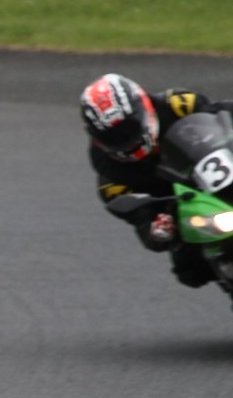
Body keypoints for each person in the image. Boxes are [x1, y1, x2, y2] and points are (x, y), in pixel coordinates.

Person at [80, 73, 233, 289]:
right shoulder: (110, 175)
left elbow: (223, 114)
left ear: (143, 106)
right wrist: (158, 230)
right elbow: (141, 220)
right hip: (184, 202)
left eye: (129, 128)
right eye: (112, 136)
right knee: (189, 268)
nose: (125, 139)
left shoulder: (178, 104)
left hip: (221, 171)